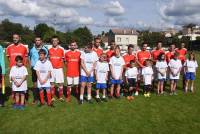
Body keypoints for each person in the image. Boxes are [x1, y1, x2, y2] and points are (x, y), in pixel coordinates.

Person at [6, 34, 28, 102]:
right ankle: (14, 95)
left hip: (21, 68)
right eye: (14, 38)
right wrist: (12, 65)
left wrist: (24, 66)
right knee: (13, 81)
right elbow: (8, 58)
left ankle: (23, 95)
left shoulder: (24, 47)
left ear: (19, 38)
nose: (15, 39)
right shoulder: (9, 47)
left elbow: (26, 57)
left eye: (16, 38)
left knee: (22, 82)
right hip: (13, 68)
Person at [29, 36, 48, 104]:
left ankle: (44, 98)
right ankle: (36, 99)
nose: (37, 41)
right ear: (35, 41)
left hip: (43, 69)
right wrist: (31, 66)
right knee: (35, 84)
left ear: (41, 41)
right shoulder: (32, 49)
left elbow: (47, 58)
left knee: (43, 83)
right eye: (36, 40)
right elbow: (30, 57)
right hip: (34, 69)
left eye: (39, 40)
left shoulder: (45, 49)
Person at [49, 36, 65, 101]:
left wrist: (61, 65)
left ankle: (60, 97)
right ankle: (52, 97)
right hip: (51, 69)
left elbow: (64, 60)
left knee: (60, 83)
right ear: (52, 42)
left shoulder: (62, 49)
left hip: (59, 69)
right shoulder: (49, 50)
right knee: (52, 83)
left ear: (58, 41)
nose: (54, 42)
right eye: (53, 41)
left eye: (56, 40)